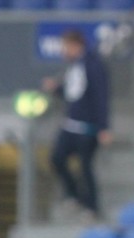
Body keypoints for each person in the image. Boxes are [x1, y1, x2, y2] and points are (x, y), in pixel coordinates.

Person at [43, 29, 110, 220]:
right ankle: (74, 195)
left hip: (87, 127)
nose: (64, 51)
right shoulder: (74, 66)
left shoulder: (94, 65)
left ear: (75, 45)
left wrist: (104, 127)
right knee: (57, 158)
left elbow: (100, 96)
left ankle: (92, 206)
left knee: (85, 167)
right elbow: (74, 92)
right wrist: (56, 88)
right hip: (70, 125)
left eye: (66, 46)